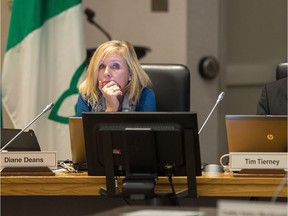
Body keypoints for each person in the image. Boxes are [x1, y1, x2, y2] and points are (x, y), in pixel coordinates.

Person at [76, 40, 156, 116]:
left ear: (130, 73)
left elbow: (142, 130)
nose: (106, 73)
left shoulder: (144, 95)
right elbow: (81, 130)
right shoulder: (87, 95)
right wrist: (111, 109)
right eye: (101, 66)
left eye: (115, 66)